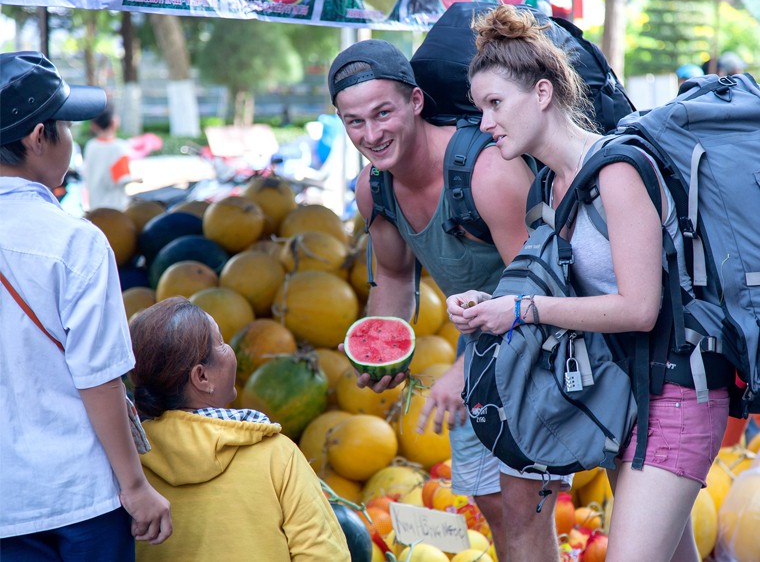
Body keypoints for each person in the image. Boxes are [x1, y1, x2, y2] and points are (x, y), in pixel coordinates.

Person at [447, 5, 730, 561]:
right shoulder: (547, 189)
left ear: (544, 93)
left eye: (495, 104)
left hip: (677, 392)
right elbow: (571, 294)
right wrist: (492, 304)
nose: (485, 123)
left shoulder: (617, 172)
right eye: (481, 107)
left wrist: (525, 310)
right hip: (626, 399)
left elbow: (639, 307)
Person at [328, 39, 571, 561]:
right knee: (497, 511)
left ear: (416, 102)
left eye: (383, 113)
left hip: (540, 345)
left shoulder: (487, 174)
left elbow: (536, 281)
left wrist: (466, 368)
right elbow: (393, 275)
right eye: (354, 123)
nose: (371, 135)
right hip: (477, 355)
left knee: (527, 513)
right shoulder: (374, 188)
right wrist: (382, 346)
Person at [0, 50, 172, 559]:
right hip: (77, 501)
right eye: (65, 124)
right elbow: (98, 375)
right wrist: (136, 488)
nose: (72, 138)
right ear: (38, 137)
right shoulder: (76, 241)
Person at [128, 297, 350, 561]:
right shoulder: (276, 454)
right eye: (221, 342)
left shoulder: (128, 467)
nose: (230, 349)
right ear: (202, 377)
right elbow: (323, 554)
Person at [82, 101, 133, 211]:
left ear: (94, 126)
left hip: (95, 206)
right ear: (114, 122)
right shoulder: (119, 147)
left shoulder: (91, 145)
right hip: (115, 208)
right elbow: (122, 178)